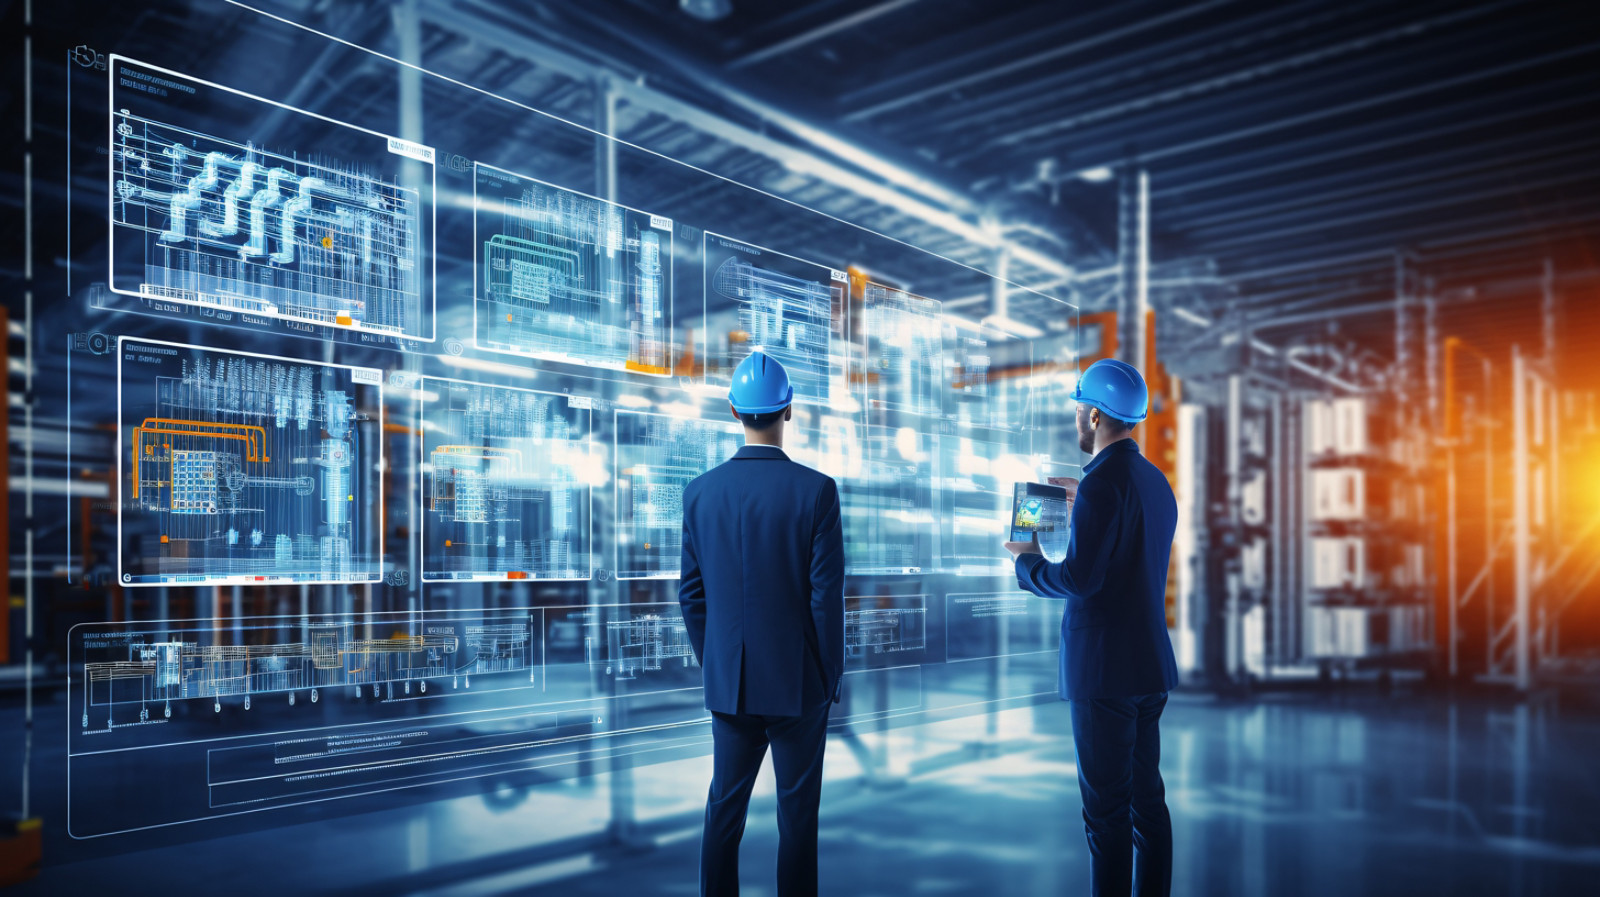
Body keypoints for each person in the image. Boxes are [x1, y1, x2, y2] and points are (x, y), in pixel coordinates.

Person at [1004, 357, 1179, 897]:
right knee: (1146, 803)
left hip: (1105, 674)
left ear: (1098, 416)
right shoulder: (1152, 481)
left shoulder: (1104, 486)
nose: (1077, 417)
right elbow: (1127, 552)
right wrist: (1082, 501)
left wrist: (1026, 560)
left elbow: (1080, 579)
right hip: (1148, 665)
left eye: (1081, 408)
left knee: (1105, 814)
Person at [678, 351, 846, 897]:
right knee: (798, 819)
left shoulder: (699, 493)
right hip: (799, 683)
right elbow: (826, 597)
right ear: (788, 410)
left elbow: (690, 594)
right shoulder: (817, 491)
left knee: (723, 811)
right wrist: (828, 675)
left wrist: (719, 666)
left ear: (733, 410)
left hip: (730, 684)